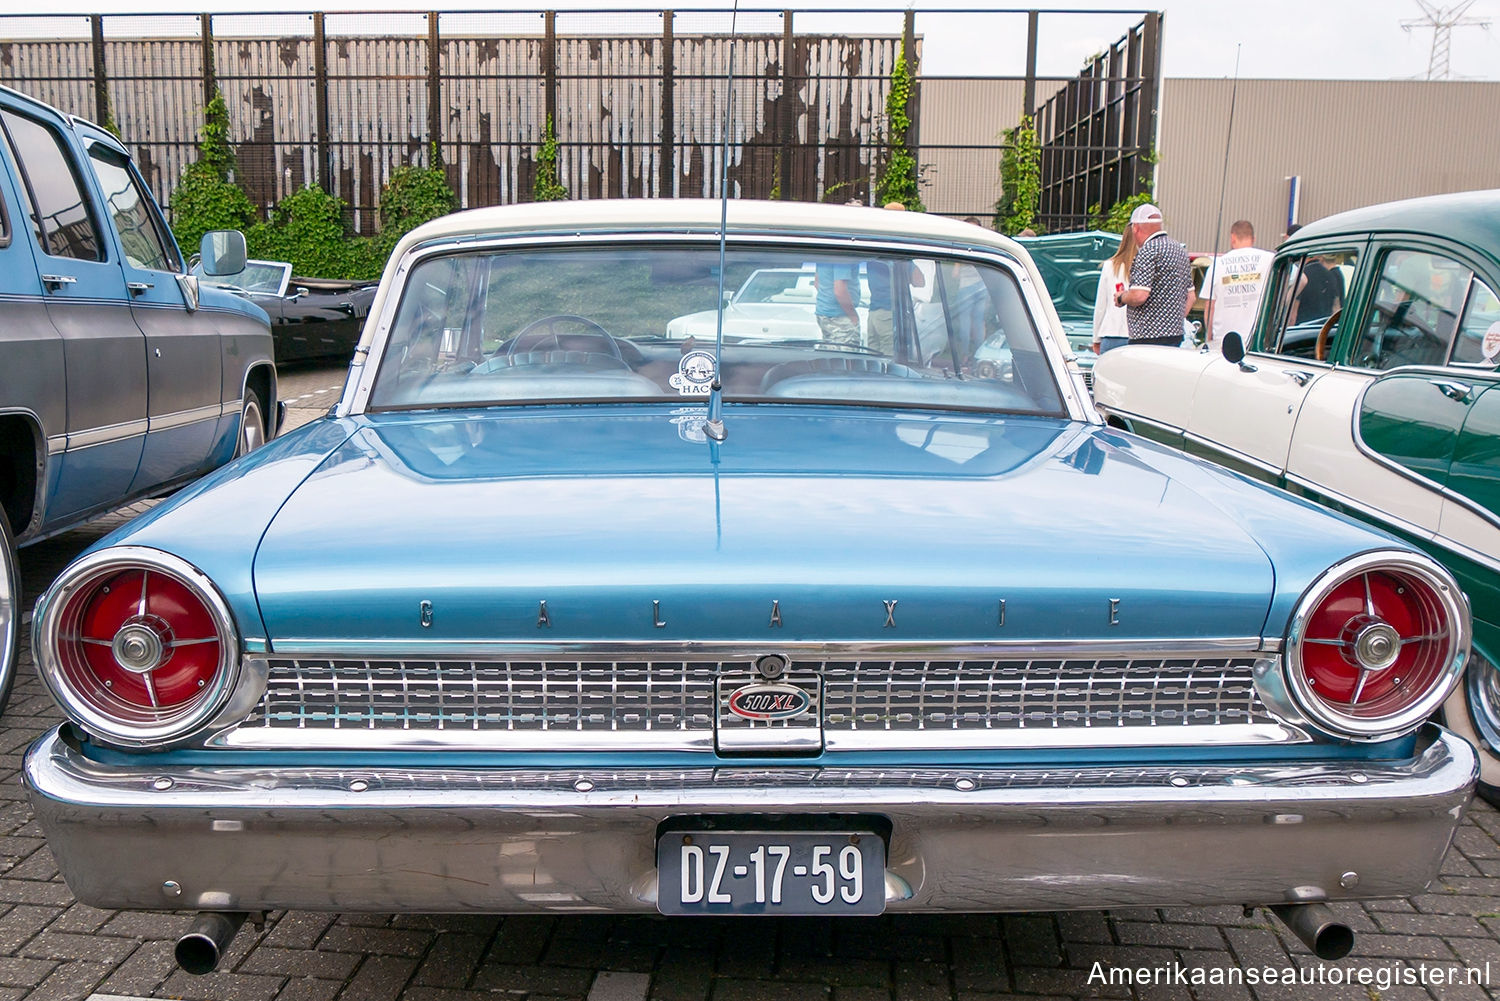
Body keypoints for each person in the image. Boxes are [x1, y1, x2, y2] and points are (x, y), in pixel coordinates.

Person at [1115, 203, 1195, 345]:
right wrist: (1172, 321)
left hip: (1146, 338)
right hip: (1175, 336)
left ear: (1136, 228)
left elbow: (1139, 295)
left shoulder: (1148, 251)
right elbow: (1191, 297)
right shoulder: (1179, 250)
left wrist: (1122, 297)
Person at [1199, 220, 1273, 351]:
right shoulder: (1269, 259)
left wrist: (1209, 336)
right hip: (1258, 338)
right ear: (1253, 238)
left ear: (1232, 238)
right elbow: (1300, 279)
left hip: (1224, 340)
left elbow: (1210, 306)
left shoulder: (1217, 264)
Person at [866, 203, 926, 355]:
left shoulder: (873, 242)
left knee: (872, 359)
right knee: (889, 361)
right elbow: (919, 281)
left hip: (874, 312)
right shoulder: (895, 247)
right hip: (889, 312)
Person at [1092, 225, 1136, 354]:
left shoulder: (1109, 266)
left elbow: (1101, 306)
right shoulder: (1147, 266)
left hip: (1111, 333)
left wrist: (1096, 338)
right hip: (1138, 336)